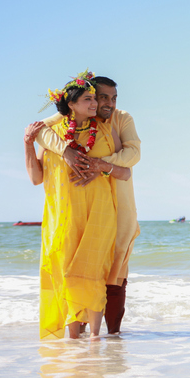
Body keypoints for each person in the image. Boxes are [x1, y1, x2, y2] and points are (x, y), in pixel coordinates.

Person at [24, 70, 131, 339]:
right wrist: (29, 143)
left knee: (94, 273)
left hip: (99, 213)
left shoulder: (106, 130)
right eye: (89, 99)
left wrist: (101, 166)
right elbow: (37, 178)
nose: (96, 104)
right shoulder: (50, 137)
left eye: (97, 99)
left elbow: (125, 170)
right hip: (62, 217)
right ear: (70, 104)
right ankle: (74, 341)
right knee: (66, 273)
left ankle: (95, 339)